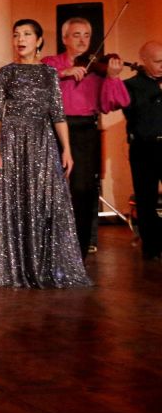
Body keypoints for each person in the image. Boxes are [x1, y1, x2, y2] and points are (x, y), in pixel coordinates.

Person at [0, 19, 92, 288]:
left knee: (46, 201)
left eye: (26, 34)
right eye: (16, 35)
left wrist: (67, 149)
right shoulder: (5, 73)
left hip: (43, 143)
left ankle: (48, 267)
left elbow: (58, 114)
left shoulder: (49, 73)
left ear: (39, 41)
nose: (20, 39)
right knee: (17, 202)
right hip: (12, 144)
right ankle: (18, 269)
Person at [41, 17, 129, 256]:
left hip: (84, 129)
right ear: (65, 38)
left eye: (86, 35)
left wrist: (112, 77)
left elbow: (114, 103)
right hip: (52, 128)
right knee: (49, 187)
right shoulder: (51, 62)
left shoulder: (97, 68)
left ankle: (79, 248)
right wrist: (64, 73)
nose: (82, 40)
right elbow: (37, 81)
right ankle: (48, 246)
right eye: (76, 35)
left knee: (83, 188)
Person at [122, 41, 162, 261]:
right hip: (144, 147)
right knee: (146, 199)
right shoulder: (131, 85)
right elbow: (131, 112)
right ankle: (152, 247)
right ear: (144, 61)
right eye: (157, 62)